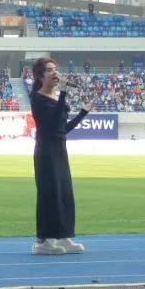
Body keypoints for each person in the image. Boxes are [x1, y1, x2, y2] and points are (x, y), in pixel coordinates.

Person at [28, 57, 93, 255]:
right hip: (46, 152)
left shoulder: (56, 97)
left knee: (64, 193)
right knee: (49, 194)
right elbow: (52, 121)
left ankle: (64, 236)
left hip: (59, 150)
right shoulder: (38, 99)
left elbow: (62, 129)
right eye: (49, 70)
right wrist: (63, 92)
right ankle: (43, 240)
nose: (55, 72)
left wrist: (83, 113)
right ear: (40, 76)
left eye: (56, 69)